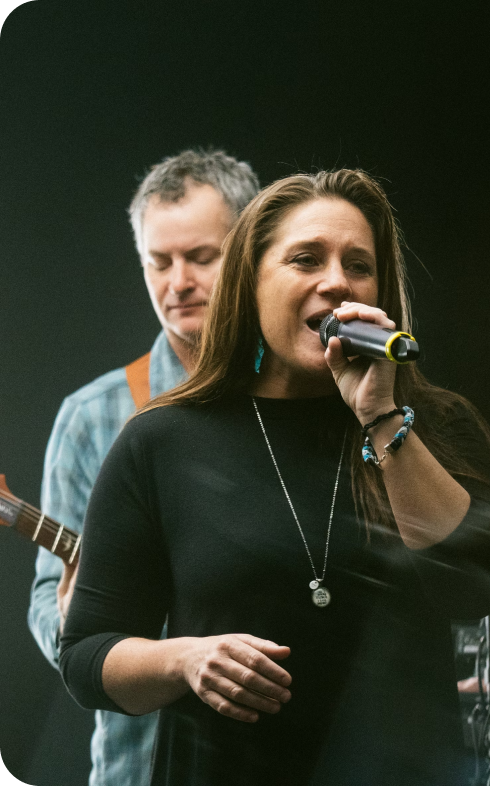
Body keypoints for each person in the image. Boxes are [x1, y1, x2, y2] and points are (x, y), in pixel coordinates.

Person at [58, 169, 490, 786]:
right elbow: (87, 657)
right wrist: (184, 659)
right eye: (306, 259)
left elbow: (476, 592)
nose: (336, 281)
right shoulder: (162, 440)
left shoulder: (434, 423)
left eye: (359, 264)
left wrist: (380, 416)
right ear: (248, 282)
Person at [28, 148, 259, 786]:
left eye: (201, 257)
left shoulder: (301, 397)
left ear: (249, 250)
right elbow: (47, 597)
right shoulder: (90, 417)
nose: (177, 282)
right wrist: (70, 623)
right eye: (159, 262)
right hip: (141, 763)